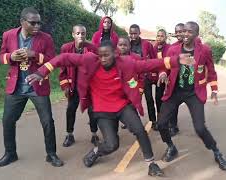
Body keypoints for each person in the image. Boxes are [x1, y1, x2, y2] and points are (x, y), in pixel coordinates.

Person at [26, 41, 194, 176]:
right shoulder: (90, 60)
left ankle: (151, 164)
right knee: (112, 145)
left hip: (122, 105)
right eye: (100, 56)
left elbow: (150, 64)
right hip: (101, 109)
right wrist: (42, 72)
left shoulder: (127, 63)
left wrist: (176, 60)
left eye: (106, 55)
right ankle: (97, 151)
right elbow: (62, 58)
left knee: (140, 131)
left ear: (115, 53)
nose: (103, 59)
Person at [157, 21, 226, 171]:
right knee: (161, 124)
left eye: (189, 32)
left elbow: (211, 71)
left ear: (196, 35)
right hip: (175, 91)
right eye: (184, 31)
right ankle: (171, 147)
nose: (185, 34)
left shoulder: (204, 51)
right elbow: (164, 66)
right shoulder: (173, 49)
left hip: (194, 93)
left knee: (200, 128)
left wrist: (214, 90)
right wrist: (163, 73)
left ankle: (217, 152)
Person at [0, 7, 63, 167]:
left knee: (47, 121)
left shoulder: (46, 38)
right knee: (7, 121)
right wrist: (10, 56)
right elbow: (1, 56)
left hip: (37, 87)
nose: (37, 26)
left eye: (39, 23)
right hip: (16, 87)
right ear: (22, 22)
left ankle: (51, 154)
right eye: (33, 23)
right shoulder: (8, 35)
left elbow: (52, 61)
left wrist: (35, 55)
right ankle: (10, 154)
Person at [59, 24, 100, 147]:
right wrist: (65, 85)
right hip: (73, 87)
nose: (80, 36)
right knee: (71, 110)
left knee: (92, 111)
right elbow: (62, 70)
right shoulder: (66, 48)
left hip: (89, 88)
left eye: (83, 33)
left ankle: (94, 134)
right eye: (78, 33)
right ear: (73, 34)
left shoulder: (92, 48)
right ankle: (69, 134)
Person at [129, 24, 159, 130]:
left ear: (139, 33)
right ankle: (130, 121)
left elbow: (153, 58)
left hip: (145, 77)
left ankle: (153, 121)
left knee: (149, 99)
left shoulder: (146, 44)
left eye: (135, 33)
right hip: (132, 78)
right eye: (131, 33)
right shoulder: (127, 44)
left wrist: (154, 73)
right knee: (131, 100)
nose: (133, 36)